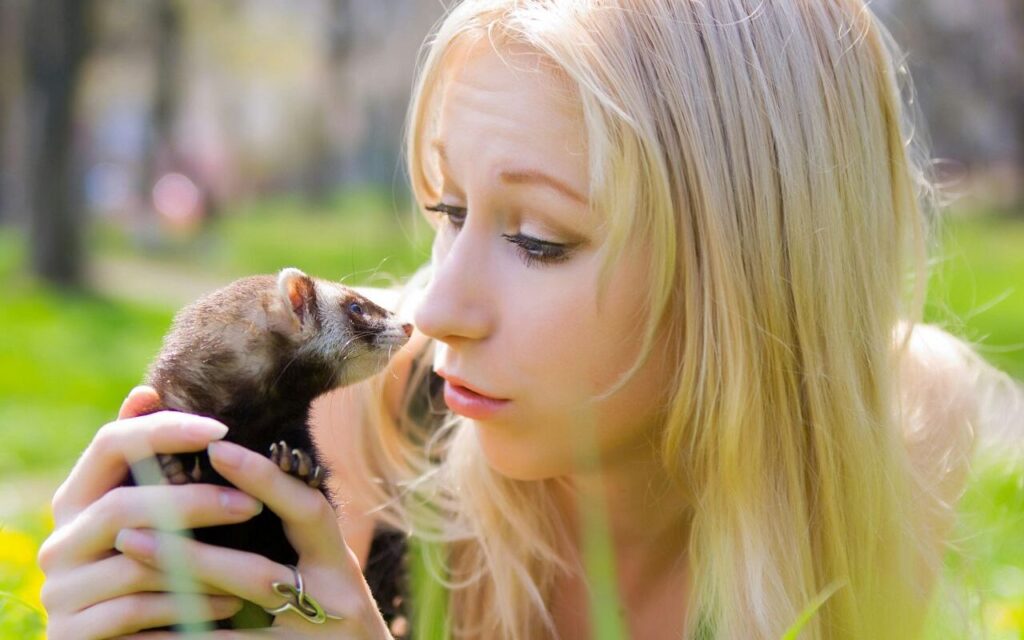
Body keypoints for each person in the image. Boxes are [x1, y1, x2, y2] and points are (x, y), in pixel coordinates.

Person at [37, 1, 1020, 638]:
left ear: (752, 270)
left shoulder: (922, 449)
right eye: (450, 213)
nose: (443, 309)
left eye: (540, 238)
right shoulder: (349, 439)